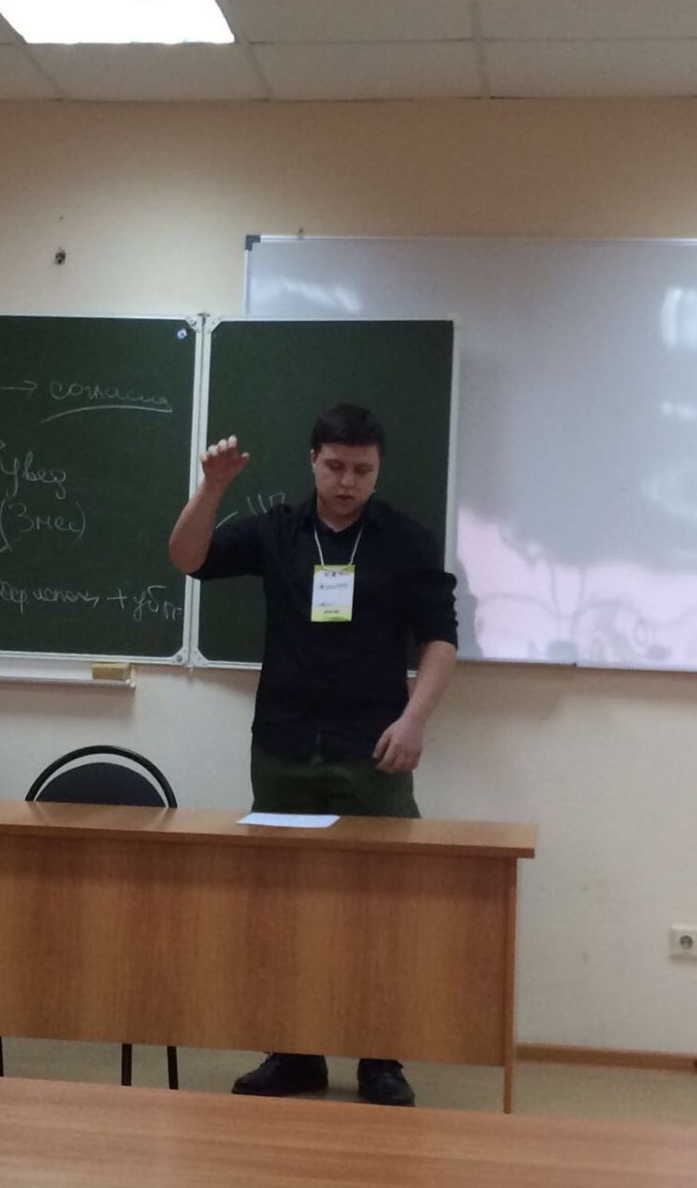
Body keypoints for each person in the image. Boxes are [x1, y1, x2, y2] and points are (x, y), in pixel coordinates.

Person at [168, 403, 458, 1107]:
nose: (347, 481)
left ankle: (380, 1060)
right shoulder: (278, 531)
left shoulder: (407, 541)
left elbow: (441, 639)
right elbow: (187, 557)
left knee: (383, 909)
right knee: (283, 906)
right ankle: (294, 1054)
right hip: (285, 746)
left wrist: (415, 720)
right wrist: (211, 488)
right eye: (335, 466)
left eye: (362, 469)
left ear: (378, 469)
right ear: (313, 461)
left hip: (374, 752)